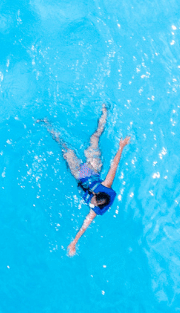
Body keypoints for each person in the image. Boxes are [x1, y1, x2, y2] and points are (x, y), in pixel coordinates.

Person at [45, 104, 133, 256]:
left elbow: (84, 226)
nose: (91, 200)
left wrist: (74, 242)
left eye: (93, 201)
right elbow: (114, 166)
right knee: (94, 137)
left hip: (80, 174)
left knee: (67, 151)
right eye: (94, 198)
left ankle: (49, 127)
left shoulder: (94, 210)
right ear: (97, 193)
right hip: (93, 169)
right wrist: (121, 147)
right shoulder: (106, 185)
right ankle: (104, 112)